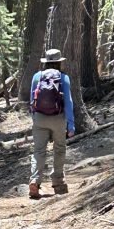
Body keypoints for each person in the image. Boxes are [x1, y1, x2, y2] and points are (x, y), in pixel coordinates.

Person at [28, 48, 75, 199]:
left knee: (39, 151)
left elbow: (31, 99)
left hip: (40, 118)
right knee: (59, 149)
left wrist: (35, 118)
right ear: (59, 63)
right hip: (58, 118)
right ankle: (58, 183)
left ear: (46, 63)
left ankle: (35, 180)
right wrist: (71, 124)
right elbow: (68, 102)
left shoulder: (37, 76)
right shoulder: (64, 77)